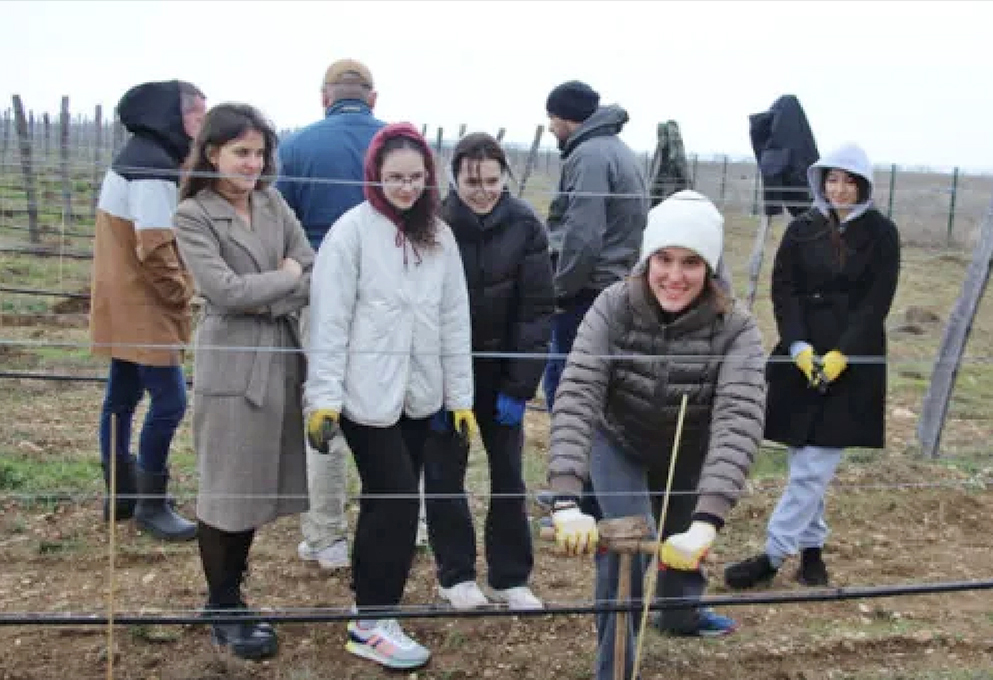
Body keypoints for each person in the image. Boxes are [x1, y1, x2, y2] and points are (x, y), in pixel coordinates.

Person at [547, 190, 767, 680]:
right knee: (629, 542)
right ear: (647, 258)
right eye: (663, 259)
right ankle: (614, 668)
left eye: (691, 262)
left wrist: (709, 520)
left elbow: (739, 418)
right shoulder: (612, 307)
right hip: (619, 438)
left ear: (710, 268)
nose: (674, 275)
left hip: (693, 442)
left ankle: (679, 615)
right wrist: (565, 499)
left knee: (684, 543)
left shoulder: (736, 327)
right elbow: (578, 392)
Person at [305, 122, 476, 670]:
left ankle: (372, 607)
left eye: (415, 177)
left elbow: (455, 319)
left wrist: (459, 396)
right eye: (394, 177)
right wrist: (323, 398)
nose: (405, 187)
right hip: (364, 395)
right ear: (376, 177)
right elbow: (329, 322)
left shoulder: (438, 236)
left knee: (388, 502)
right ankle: (372, 621)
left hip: (419, 394)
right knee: (398, 498)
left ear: (428, 177)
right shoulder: (351, 233)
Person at [174, 103, 316, 660]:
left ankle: (233, 592)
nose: (252, 163)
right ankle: (222, 603)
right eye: (241, 152)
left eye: (259, 152)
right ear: (213, 153)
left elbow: (310, 267)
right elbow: (222, 291)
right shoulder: (194, 215)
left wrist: (280, 281)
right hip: (232, 361)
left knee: (255, 480)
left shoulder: (273, 202)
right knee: (226, 487)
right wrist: (282, 279)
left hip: (279, 354)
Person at [724, 143, 900, 590]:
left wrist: (844, 353)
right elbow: (784, 288)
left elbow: (876, 300)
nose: (839, 190)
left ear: (863, 186)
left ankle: (771, 553)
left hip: (853, 358)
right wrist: (800, 346)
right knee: (805, 456)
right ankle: (812, 552)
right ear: (820, 182)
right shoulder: (802, 228)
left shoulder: (882, 232)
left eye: (849, 181)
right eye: (832, 180)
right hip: (803, 354)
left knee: (813, 465)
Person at [423, 132, 554, 611]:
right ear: (454, 178)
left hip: (503, 374)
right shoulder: (434, 223)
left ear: (505, 177)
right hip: (446, 372)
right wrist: (435, 385)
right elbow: (423, 307)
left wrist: (520, 385)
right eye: (471, 180)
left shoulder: (526, 225)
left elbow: (537, 310)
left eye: (492, 180)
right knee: (443, 475)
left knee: (508, 474)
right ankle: (454, 575)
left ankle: (510, 576)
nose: (482, 190)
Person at [276, 58, 387, 571]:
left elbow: (280, 225)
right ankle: (405, 524)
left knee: (323, 408)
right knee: (393, 405)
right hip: (387, 292)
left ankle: (326, 537)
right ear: (373, 98)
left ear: (325, 98)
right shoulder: (395, 145)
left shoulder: (297, 146)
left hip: (321, 290)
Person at [89, 79, 206, 541]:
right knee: (171, 400)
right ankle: (151, 504)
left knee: (121, 397)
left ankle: (121, 492)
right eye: (196, 112)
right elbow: (155, 247)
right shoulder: (155, 170)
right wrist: (182, 295)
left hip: (121, 297)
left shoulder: (134, 158)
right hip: (145, 304)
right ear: (170, 117)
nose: (202, 121)